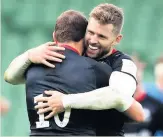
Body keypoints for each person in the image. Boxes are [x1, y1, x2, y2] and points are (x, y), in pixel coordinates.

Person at [4, 4, 145, 136]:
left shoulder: (122, 64)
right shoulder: (71, 56)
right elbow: (11, 77)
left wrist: (65, 101)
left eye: (101, 36)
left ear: (117, 39)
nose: (93, 40)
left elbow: (120, 98)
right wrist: (29, 55)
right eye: (90, 32)